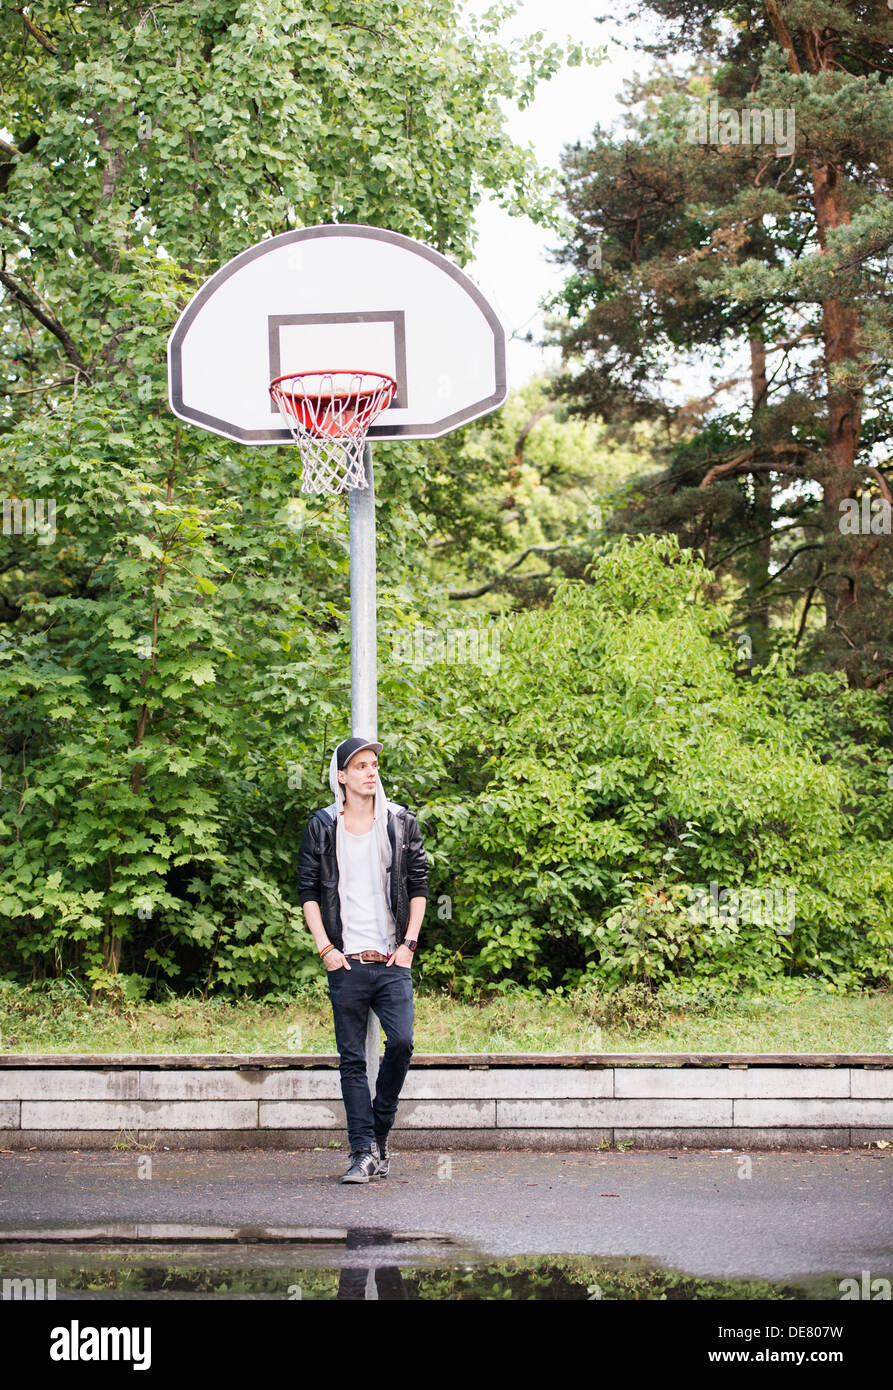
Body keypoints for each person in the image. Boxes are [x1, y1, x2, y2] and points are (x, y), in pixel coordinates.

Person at [298, 736, 429, 1183]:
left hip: (392, 960)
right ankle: (361, 1153)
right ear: (341, 777)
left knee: (404, 1043)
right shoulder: (322, 825)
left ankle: (378, 1134)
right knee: (351, 1061)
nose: (371, 772)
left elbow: (418, 886)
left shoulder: (399, 823)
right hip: (347, 962)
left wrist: (409, 945)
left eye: (374, 765)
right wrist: (326, 949)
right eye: (360, 766)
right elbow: (309, 893)